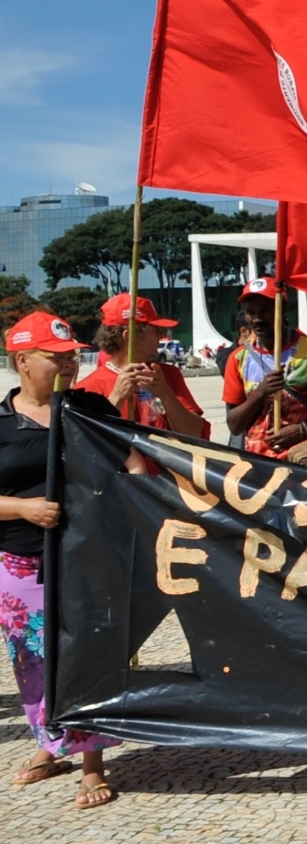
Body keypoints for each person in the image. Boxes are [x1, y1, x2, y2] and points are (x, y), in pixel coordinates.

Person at [1, 312, 130, 808]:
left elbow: (131, 466)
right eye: (56, 359)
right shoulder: (1, 423)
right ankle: (48, 746)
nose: (69, 365)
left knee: (86, 654)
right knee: (33, 660)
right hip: (19, 561)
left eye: (72, 356)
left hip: (85, 557)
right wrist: (23, 509)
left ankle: (93, 764)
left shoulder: (90, 408)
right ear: (22, 361)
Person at [222, 279, 307, 470]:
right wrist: (260, 392)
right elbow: (234, 425)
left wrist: (303, 428)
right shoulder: (238, 359)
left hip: (305, 460)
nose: (258, 318)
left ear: (282, 309)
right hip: (258, 465)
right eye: (251, 312)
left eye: (266, 310)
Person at [75, 293, 209, 439]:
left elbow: (194, 434)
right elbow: (87, 444)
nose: (161, 335)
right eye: (155, 330)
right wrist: (116, 398)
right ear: (129, 336)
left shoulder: (168, 375)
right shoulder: (86, 389)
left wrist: (165, 394)